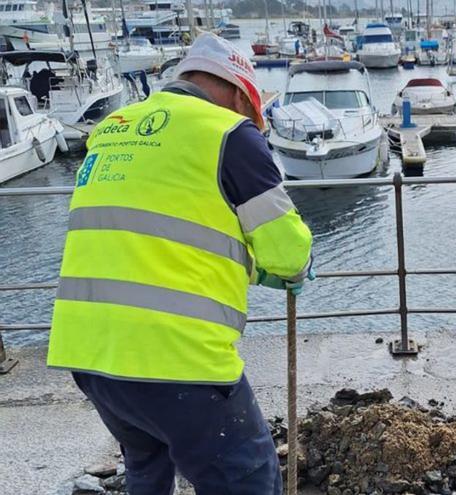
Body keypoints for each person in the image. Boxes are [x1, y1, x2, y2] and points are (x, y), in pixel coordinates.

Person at [46, 33, 313, 495]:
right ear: (237, 92)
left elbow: (164, 237)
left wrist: (250, 267)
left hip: (90, 355)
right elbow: (288, 252)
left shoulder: (113, 127)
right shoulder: (228, 133)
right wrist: (293, 270)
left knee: (148, 466)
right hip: (176, 362)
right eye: (252, 112)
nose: (252, 123)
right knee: (249, 477)